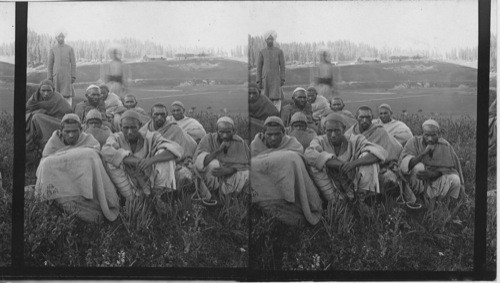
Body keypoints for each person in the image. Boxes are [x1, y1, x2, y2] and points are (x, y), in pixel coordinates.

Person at [35, 114, 119, 222]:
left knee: (90, 156)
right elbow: (45, 161)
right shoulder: (54, 141)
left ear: (81, 129)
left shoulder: (88, 139)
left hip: (84, 184)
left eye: (75, 131)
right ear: (61, 131)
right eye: (67, 132)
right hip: (62, 183)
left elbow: (95, 154)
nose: (71, 135)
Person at [251, 116, 322, 226]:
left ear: (283, 133)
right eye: (269, 135)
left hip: (290, 189)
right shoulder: (256, 144)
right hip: (265, 188)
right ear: (263, 133)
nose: (273, 138)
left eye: (277, 134)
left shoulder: (292, 143)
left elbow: (296, 158)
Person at [102, 110, 184, 200]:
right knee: (111, 162)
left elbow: (176, 149)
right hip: (128, 181)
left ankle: (161, 196)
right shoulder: (116, 138)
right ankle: (133, 200)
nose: (129, 132)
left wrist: (150, 160)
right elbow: (106, 151)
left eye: (133, 127)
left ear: (140, 126)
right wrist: (135, 161)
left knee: (164, 156)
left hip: (149, 180)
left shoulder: (151, 137)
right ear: (120, 127)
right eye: (126, 128)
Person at [305, 113, 387, 202]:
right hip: (331, 184)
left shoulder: (355, 140)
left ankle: (363, 199)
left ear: (343, 129)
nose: (333, 135)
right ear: (324, 130)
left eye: (337, 130)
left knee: (368, 159)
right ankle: (336, 202)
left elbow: (378, 152)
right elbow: (309, 154)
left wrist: (353, 164)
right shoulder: (320, 140)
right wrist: (340, 165)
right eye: (329, 131)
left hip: (353, 183)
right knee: (315, 165)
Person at [399, 119, 465, 206]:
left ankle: (449, 206)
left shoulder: (445, 146)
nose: (430, 139)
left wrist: (431, 174)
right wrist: (424, 153)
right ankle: (419, 198)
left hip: (436, 181)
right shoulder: (413, 142)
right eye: (426, 135)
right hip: (418, 183)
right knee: (418, 167)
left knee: (455, 179)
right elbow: (405, 165)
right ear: (422, 133)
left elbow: (450, 169)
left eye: (433, 135)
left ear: (439, 134)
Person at [346, 106, 403, 192]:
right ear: (356, 117)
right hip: (354, 167)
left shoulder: (380, 132)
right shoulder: (349, 133)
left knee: (389, 180)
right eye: (362, 117)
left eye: (368, 117)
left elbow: (394, 151)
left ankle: (371, 198)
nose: (365, 120)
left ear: (372, 117)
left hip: (380, 166)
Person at [193, 117, 250, 204]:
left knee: (247, 173)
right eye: (221, 132)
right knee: (213, 164)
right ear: (216, 130)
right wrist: (218, 150)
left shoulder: (239, 142)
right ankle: (213, 193)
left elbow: (245, 164)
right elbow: (200, 163)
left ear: (234, 131)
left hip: (230, 177)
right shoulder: (208, 139)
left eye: (228, 132)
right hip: (212, 178)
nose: (225, 135)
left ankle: (233, 197)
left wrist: (227, 170)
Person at [26, 79, 73, 153]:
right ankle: (33, 140)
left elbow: (69, 114)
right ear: (39, 90)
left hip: (59, 123)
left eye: (48, 91)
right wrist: (41, 111)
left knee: (37, 117)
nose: (46, 94)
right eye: (43, 91)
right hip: (42, 121)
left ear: (53, 90)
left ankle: (43, 140)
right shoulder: (35, 98)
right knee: (35, 116)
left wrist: (44, 114)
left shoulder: (58, 98)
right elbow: (28, 109)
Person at [256, 30, 286, 111]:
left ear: (274, 40)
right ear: (265, 40)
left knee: (277, 99)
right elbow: (259, 68)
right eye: (268, 39)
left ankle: (276, 117)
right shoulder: (262, 52)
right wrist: (259, 81)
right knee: (266, 100)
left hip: (276, 80)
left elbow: (283, 66)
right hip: (265, 80)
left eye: (271, 39)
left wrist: (282, 78)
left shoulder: (279, 51)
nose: (270, 40)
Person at [47, 30, 76, 107]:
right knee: (56, 96)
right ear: (56, 38)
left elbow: (73, 63)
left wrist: (73, 76)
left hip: (67, 77)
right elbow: (50, 65)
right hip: (56, 77)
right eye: (59, 36)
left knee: (67, 96)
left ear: (64, 37)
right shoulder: (53, 49)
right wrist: (50, 78)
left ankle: (68, 112)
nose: (61, 38)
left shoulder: (69, 49)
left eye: (62, 36)